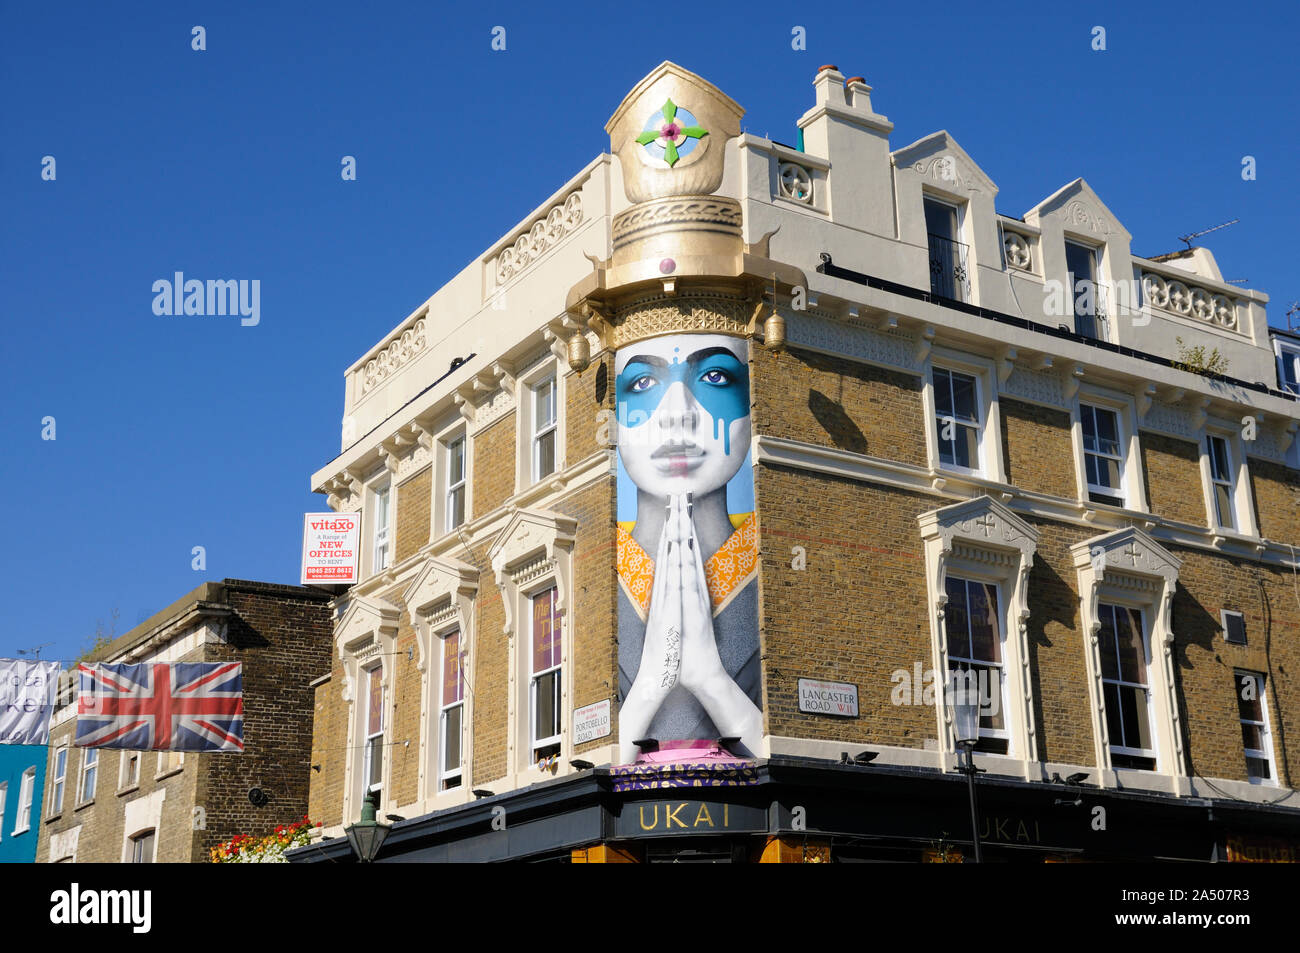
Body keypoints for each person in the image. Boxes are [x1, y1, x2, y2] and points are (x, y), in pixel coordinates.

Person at [615, 332, 761, 763]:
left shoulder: (779, 564)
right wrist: (649, 687)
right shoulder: (596, 581)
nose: (677, 415)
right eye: (643, 384)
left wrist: (711, 679)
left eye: (715, 376)